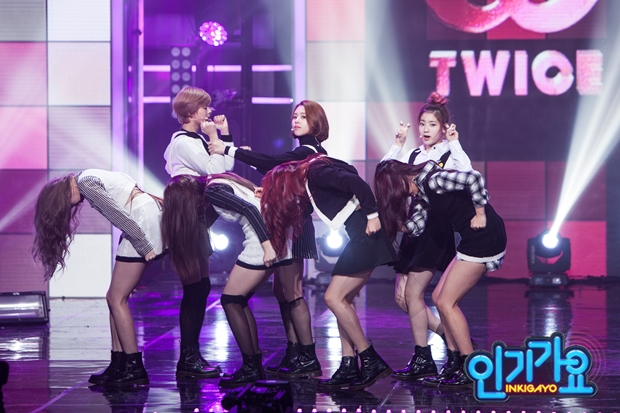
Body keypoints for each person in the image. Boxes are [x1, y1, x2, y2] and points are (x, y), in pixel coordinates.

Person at [208, 100, 329, 378]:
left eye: (303, 117)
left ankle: (307, 357)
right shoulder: (307, 151)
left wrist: (229, 149)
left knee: (293, 293)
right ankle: (295, 352)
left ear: (316, 122)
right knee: (283, 293)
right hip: (292, 224)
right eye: (294, 116)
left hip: (295, 226)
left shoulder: (308, 151)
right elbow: (280, 174)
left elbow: (273, 163)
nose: (295, 120)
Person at [261, 155, 398, 391]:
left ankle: (369, 358)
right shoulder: (311, 183)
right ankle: (348, 364)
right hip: (360, 236)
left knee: (333, 298)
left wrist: (373, 215)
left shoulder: (316, 173)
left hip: (366, 236)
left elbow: (356, 182)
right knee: (344, 302)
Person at [374, 159, 507, 389]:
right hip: (471, 239)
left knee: (446, 302)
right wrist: (390, 220)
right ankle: (455, 361)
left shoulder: (435, 180)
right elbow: (415, 227)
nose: (401, 196)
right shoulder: (424, 192)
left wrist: (479, 213)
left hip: (484, 238)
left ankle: (471, 367)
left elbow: (474, 178)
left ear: (400, 180)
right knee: (438, 297)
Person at [32, 170, 165, 385]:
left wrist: (143, 244)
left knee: (116, 299)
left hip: (141, 224)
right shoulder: (90, 176)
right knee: (115, 298)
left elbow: (116, 214)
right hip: (143, 219)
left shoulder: (86, 183)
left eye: (66, 205)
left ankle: (134, 367)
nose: (75, 206)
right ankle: (118, 364)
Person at [162, 173, 292, 388]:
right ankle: (253, 365)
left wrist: (267, 246)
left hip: (261, 242)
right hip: (272, 237)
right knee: (238, 300)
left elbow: (249, 210)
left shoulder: (213, 191)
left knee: (230, 300)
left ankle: (251, 367)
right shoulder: (222, 183)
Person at [381, 92, 473, 381]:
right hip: (412, 230)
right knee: (402, 299)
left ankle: (424, 358)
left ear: (443, 127)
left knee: (413, 295)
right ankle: (451, 336)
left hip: (435, 229)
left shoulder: (448, 153)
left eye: (432, 124)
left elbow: (469, 174)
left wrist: (455, 142)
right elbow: (384, 173)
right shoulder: (412, 155)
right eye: (422, 124)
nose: (425, 129)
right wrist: (397, 144)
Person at [163, 86, 235, 378]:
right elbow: (213, 169)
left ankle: (191, 356)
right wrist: (214, 137)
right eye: (205, 107)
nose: (209, 111)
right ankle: (188, 358)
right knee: (194, 287)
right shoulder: (184, 142)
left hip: (197, 210)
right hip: (187, 211)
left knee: (201, 286)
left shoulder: (195, 140)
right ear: (192, 112)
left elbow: (225, 165)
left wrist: (223, 135)